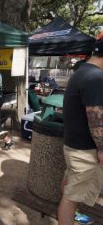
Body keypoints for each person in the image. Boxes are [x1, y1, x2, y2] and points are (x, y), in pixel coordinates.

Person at [58, 38, 103, 225]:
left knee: (69, 185)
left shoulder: (82, 71)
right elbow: (96, 119)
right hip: (85, 151)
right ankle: (68, 218)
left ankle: (72, 217)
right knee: (72, 197)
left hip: (74, 146)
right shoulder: (97, 78)